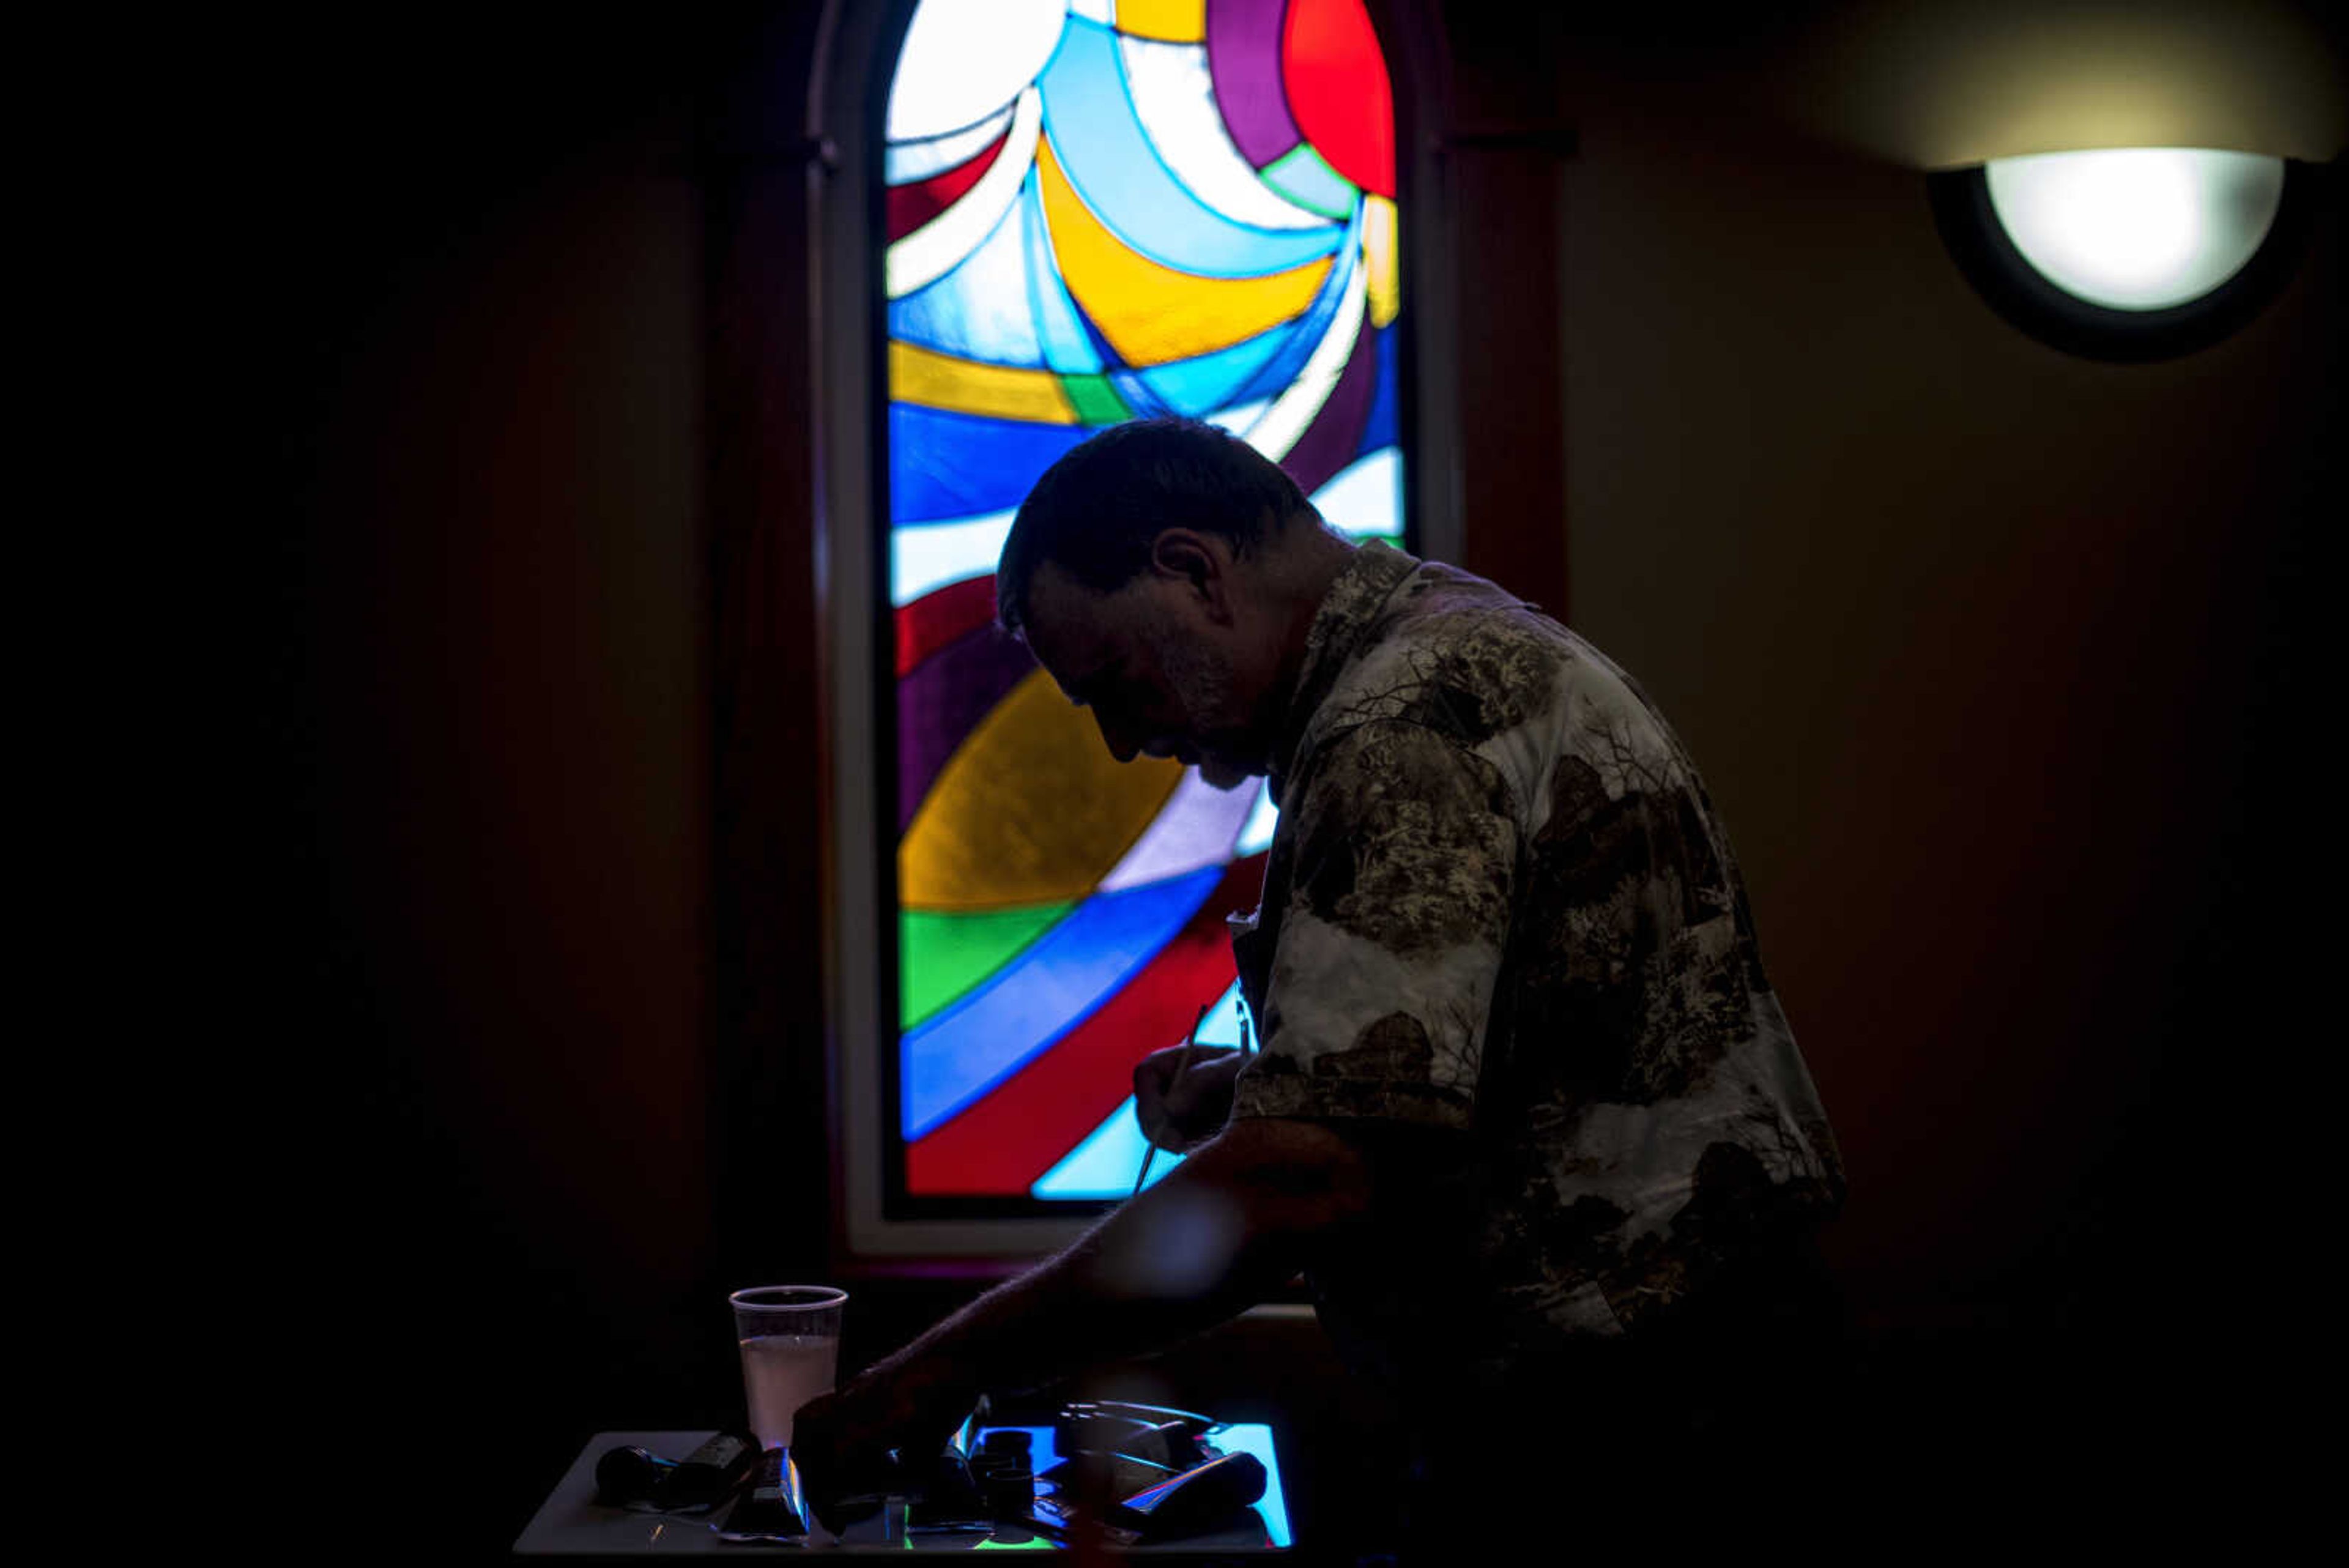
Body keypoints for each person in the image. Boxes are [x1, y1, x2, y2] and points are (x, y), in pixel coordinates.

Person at [792, 417, 1849, 1559]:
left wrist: (942, 1366)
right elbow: (1527, 1069)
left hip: (1632, 1434)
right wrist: (1262, 1086)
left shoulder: (1397, 724)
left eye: (1111, 681)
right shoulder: (1446, 646)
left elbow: (1313, 1181)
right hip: (1676, 1385)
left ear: (1193, 571)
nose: (1118, 740)